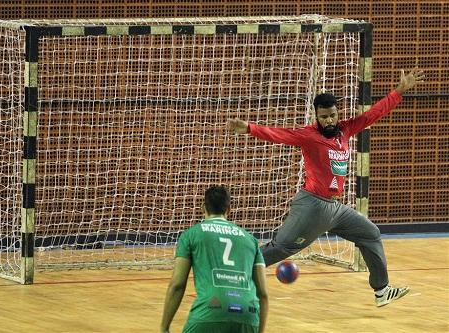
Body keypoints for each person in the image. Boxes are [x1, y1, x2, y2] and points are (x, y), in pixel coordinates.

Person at [227, 68, 425, 307]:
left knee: (370, 233)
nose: (329, 120)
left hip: (334, 208)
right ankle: (235, 274)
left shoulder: (345, 130)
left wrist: (399, 91)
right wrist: (249, 128)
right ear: (316, 116)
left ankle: (381, 290)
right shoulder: (308, 135)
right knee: (282, 248)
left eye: (332, 115)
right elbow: (279, 134)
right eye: (324, 117)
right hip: (312, 205)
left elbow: (372, 114)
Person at [160, 185, 269, 333]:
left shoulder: (191, 235)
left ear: (203, 207)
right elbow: (263, 293)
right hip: (248, 315)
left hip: (209, 312)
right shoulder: (251, 240)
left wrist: (164, 328)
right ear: (228, 209)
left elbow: (177, 284)